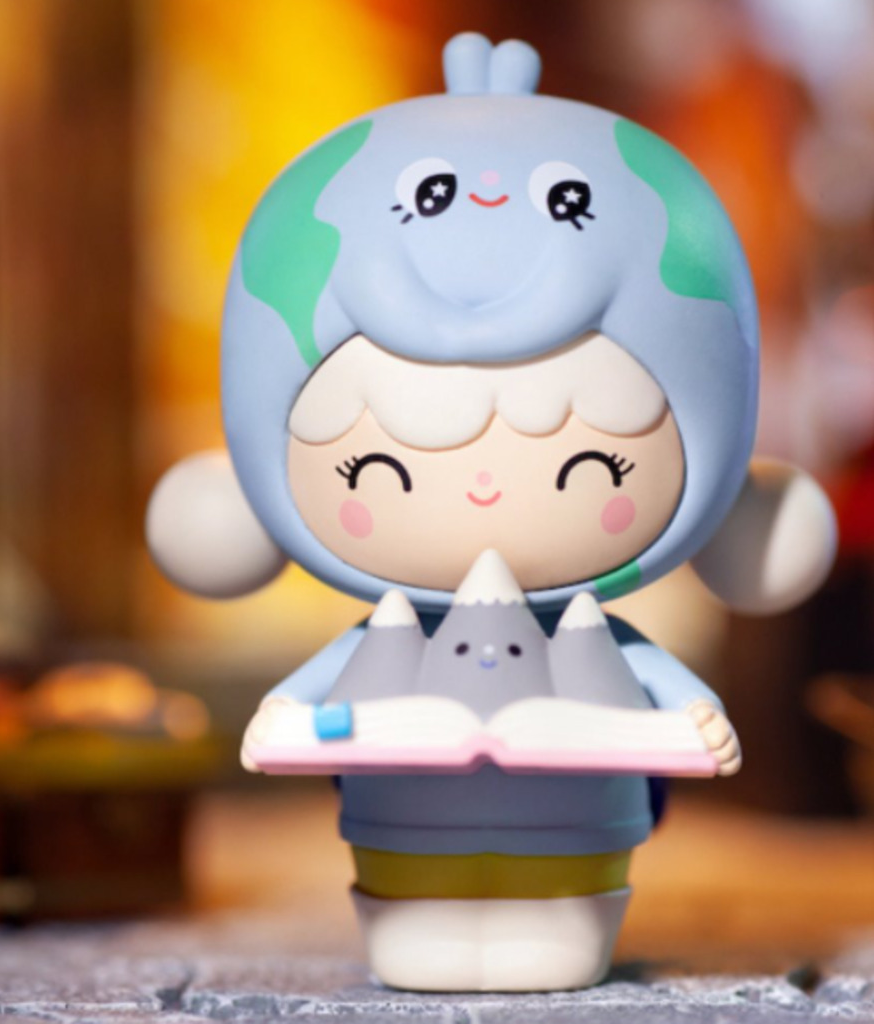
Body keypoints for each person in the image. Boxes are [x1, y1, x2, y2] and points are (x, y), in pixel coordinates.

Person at [147, 33, 837, 991]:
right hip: (400, 836)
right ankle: (417, 928)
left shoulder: (594, 635)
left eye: (593, 464)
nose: (479, 489)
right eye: (378, 466)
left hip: (576, 846)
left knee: (557, 938)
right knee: (413, 929)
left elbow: (668, 695)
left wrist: (696, 716)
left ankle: (558, 936)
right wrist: (282, 715)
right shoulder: (384, 636)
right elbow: (306, 703)